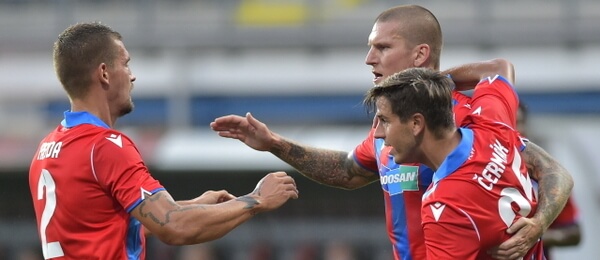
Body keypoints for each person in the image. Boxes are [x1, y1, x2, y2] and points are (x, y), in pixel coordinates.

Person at [210, 5, 573, 260]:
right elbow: (349, 170)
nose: (370, 58)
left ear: (420, 55)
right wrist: (274, 143)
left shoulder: (458, 120)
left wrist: (537, 224)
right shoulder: (391, 126)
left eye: (382, 47)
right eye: (371, 47)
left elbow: (552, 170)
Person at [28, 22, 299, 260]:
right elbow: (174, 226)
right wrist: (257, 199)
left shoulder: (47, 149)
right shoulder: (105, 146)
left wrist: (194, 206)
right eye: (126, 63)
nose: (132, 76)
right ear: (104, 73)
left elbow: (108, 224)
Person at [363, 66, 573, 259]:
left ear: (416, 123)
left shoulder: (445, 205)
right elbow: (498, 67)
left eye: (385, 121)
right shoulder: (491, 125)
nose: (379, 133)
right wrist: (432, 83)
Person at [517, 103, 582, 259]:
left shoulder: (545, 175)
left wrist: (535, 233)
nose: (513, 130)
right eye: (507, 122)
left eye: (518, 122)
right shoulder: (475, 170)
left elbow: (574, 233)